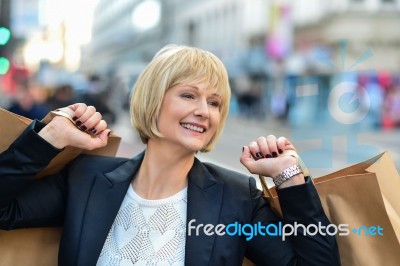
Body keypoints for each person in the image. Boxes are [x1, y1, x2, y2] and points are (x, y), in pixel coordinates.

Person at [0, 44, 340, 266]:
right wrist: (50, 137)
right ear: (153, 100)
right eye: (189, 95)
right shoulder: (86, 178)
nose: (204, 111)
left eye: (214, 102)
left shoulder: (236, 199)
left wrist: (290, 178)